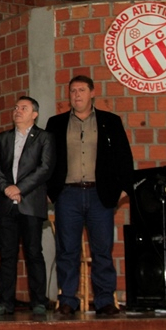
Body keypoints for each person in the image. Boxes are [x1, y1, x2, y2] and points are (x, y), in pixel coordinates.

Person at [46, 75, 134, 316]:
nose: (77, 95)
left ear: (92, 93)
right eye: (73, 91)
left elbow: (124, 157)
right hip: (67, 195)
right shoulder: (56, 123)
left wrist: (122, 191)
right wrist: (49, 191)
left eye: (82, 90)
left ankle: (105, 300)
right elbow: (47, 159)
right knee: (67, 251)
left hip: (100, 195)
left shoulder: (110, 122)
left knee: (102, 250)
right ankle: (68, 299)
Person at [0, 96, 55, 316]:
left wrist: (19, 188)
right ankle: (5, 302)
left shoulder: (44, 138)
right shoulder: (2, 138)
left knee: (34, 252)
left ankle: (39, 301)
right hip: (6, 204)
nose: (18, 111)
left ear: (34, 114)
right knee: (7, 255)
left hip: (31, 203)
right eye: (16, 107)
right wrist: (6, 187)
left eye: (23, 108)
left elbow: (45, 168)